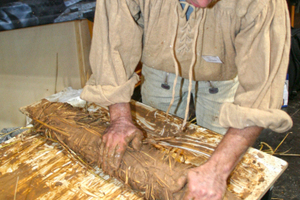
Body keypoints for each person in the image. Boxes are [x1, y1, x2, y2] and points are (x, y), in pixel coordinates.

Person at [81, 0, 293, 199]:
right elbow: (111, 41)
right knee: (151, 145)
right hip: (160, 67)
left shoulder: (265, 3)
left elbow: (260, 92)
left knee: (217, 152)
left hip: (222, 73)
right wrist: (119, 119)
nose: (201, 4)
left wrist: (218, 170)